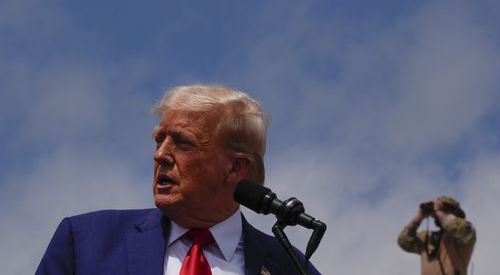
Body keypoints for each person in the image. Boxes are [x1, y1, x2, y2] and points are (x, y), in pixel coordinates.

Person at [36, 85, 320, 275]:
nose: (160, 155)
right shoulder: (86, 242)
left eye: (183, 143)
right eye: (159, 140)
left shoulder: (292, 268)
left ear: (235, 169)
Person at [397, 196, 476, 275]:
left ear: (455, 213)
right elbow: (404, 241)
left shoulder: (465, 231)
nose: (436, 213)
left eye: (445, 209)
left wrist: (440, 212)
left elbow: (462, 231)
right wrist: (418, 218)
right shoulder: (426, 237)